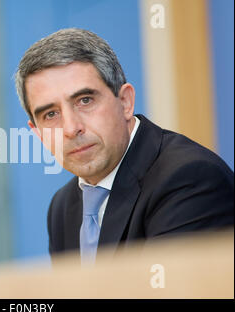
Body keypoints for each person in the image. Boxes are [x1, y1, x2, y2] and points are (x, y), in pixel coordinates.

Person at [15, 28, 234, 262]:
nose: (71, 128)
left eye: (85, 100)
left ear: (126, 102)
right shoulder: (62, 207)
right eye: (50, 114)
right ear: (38, 134)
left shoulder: (189, 179)